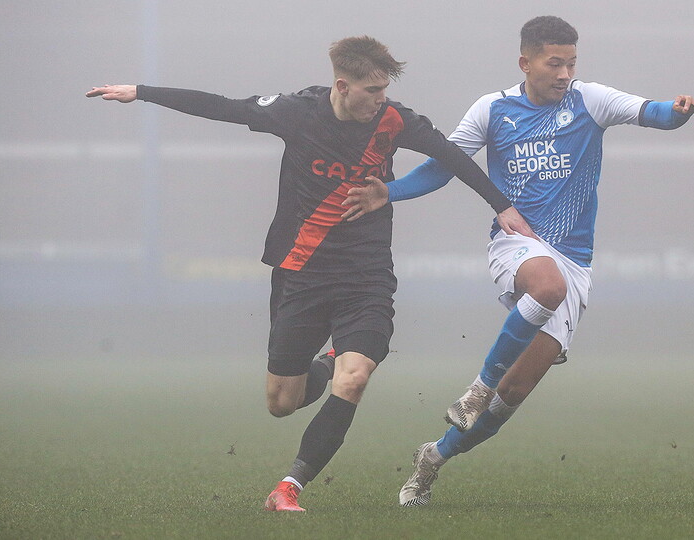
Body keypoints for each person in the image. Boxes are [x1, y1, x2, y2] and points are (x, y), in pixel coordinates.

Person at [86, 35, 533, 512]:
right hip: (301, 272)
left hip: (365, 273)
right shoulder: (295, 111)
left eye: (385, 89)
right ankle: (327, 361)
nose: (381, 99)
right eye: (372, 90)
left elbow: (451, 156)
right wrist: (143, 91)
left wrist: (502, 205)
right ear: (343, 85)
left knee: (355, 378)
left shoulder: (394, 119)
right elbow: (223, 107)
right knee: (282, 402)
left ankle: (288, 487)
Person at [342, 16, 694, 507]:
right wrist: (391, 193)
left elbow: (651, 112)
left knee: (511, 397)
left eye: (571, 63)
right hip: (518, 242)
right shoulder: (492, 109)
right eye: (554, 63)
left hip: (575, 262)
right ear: (525, 62)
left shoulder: (589, 100)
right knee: (545, 289)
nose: (564, 73)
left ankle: (433, 459)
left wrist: (678, 111)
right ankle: (477, 386)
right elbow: (443, 166)